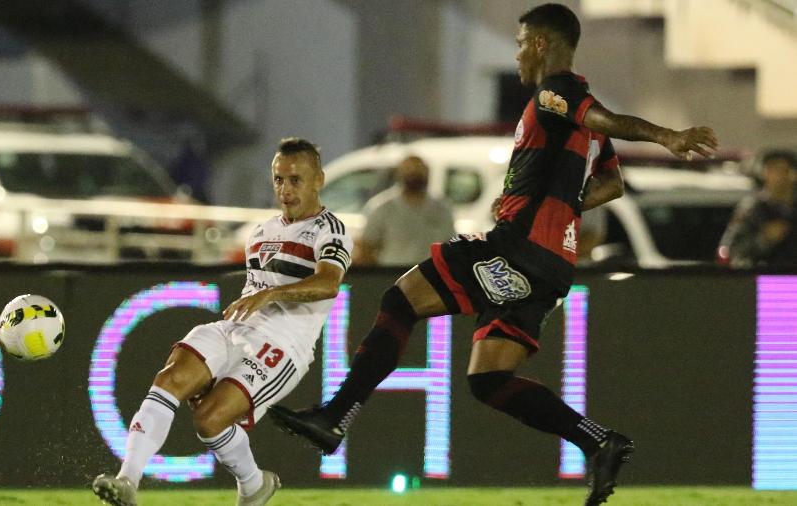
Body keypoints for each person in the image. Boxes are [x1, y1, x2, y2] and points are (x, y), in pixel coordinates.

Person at [268, 4, 718, 506]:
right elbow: (611, 183)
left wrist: (666, 136)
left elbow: (604, 117)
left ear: (543, 44)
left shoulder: (558, 92)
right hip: (551, 267)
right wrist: (561, 203)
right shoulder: (580, 121)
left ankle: (335, 416)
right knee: (489, 379)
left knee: (401, 300)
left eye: (523, 41)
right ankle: (598, 440)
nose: (520, 52)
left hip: (516, 249)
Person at [92, 137, 353, 506]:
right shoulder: (262, 232)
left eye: (296, 179)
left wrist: (271, 294)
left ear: (318, 180)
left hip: (283, 345)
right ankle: (126, 483)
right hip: (234, 329)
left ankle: (253, 484)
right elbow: (255, 288)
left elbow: (328, 283)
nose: (285, 189)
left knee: (209, 420)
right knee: (170, 380)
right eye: (278, 179)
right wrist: (255, 302)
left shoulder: (332, 229)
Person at [355, 155, 455, 266]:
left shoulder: (442, 208)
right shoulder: (381, 207)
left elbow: (449, 245)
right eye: (409, 171)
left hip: (430, 276)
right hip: (391, 275)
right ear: (399, 174)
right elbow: (366, 246)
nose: (414, 175)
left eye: (418, 171)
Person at [718, 150, 797, 268]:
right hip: (767, 281)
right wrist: (765, 239)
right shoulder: (753, 209)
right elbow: (733, 250)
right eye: (772, 171)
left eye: (783, 170)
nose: (778, 177)